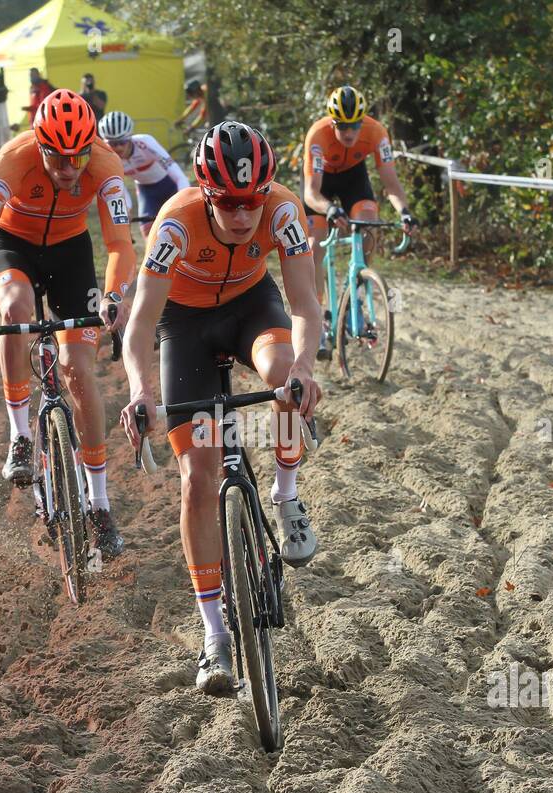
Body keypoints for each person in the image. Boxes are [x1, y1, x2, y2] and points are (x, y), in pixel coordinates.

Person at [118, 122, 324, 695]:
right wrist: (140, 392)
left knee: (285, 380)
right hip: (183, 328)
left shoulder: (283, 212)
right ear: (206, 195)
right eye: (229, 204)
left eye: (251, 202)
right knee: (197, 480)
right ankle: (214, 637)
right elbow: (137, 330)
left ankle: (285, 496)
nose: (241, 216)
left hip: (251, 310)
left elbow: (306, 303)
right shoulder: (174, 225)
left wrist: (305, 368)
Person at [0, 89, 134, 559]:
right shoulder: (9, 163)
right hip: (12, 245)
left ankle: (99, 504)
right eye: (57, 157)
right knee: (14, 309)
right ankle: (19, 436)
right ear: (39, 146)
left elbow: (119, 244)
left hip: (71, 253)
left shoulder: (106, 164)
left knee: (80, 371)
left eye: (77, 156)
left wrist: (114, 295)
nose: (69, 168)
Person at [301, 85, 416, 358]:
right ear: (332, 122)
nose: (349, 132)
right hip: (321, 187)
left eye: (354, 125)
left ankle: (357, 294)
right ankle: (319, 317)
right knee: (315, 245)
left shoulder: (377, 133)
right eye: (342, 126)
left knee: (369, 224)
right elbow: (311, 192)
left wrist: (405, 212)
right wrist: (330, 210)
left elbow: (391, 184)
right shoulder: (317, 136)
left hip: (354, 178)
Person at [98, 110, 189, 237]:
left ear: (130, 137)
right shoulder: (108, 158)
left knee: (181, 229)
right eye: (112, 143)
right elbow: (119, 187)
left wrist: (184, 201)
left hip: (169, 184)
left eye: (122, 142)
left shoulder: (145, 143)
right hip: (146, 192)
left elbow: (179, 176)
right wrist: (126, 209)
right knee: (148, 232)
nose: (118, 147)